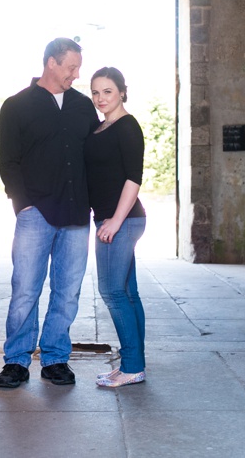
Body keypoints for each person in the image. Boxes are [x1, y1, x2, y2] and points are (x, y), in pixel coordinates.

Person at [0, 38, 100, 388]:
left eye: (78, 67)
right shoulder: (16, 106)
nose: (76, 73)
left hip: (75, 212)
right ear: (51, 63)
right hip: (35, 213)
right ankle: (17, 361)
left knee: (67, 291)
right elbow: (8, 161)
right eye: (71, 66)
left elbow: (95, 157)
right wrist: (23, 205)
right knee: (25, 288)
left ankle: (55, 358)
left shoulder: (84, 106)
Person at [85, 67, 147, 388]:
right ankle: (134, 363)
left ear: (122, 91)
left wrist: (114, 221)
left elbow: (133, 178)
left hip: (122, 220)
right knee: (128, 293)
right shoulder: (100, 128)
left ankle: (133, 366)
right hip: (112, 219)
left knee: (111, 291)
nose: (100, 98)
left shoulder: (127, 126)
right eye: (95, 92)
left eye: (107, 91)